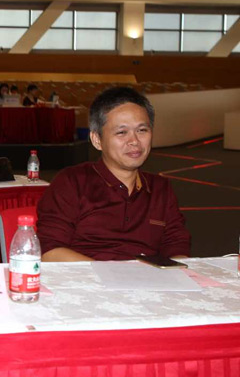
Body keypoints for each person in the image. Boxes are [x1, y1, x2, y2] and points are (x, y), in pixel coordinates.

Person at [36, 87, 190, 262]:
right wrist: (110, 274)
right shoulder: (72, 182)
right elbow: (50, 251)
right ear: (97, 140)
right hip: (86, 276)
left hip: (147, 277)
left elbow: (177, 246)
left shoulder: (160, 188)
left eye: (142, 130)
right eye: (122, 132)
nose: (134, 141)